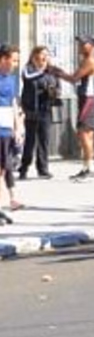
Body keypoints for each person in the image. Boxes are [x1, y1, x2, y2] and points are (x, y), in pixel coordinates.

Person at [52, 35, 94, 181]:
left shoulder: (90, 61)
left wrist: (57, 73)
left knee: (84, 133)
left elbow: (74, 78)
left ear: (92, 46)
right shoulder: (88, 60)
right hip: (87, 99)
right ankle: (86, 167)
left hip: (88, 99)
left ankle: (90, 169)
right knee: (86, 134)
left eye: (83, 44)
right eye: (79, 43)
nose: (79, 46)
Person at [18, 46, 59, 181]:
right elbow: (28, 78)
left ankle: (43, 169)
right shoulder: (28, 69)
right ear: (35, 56)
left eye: (47, 55)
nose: (45, 57)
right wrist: (43, 71)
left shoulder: (51, 72)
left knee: (44, 140)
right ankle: (24, 168)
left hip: (45, 109)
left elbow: (57, 86)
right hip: (31, 109)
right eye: (42, 54)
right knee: (30, 141)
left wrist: (53, 91)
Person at [0, 45, 23, 226]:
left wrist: (18, 126)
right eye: (13, 60)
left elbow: (13, 103)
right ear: (3, 59)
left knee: (3, 168)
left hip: (6, 126)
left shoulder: (11, 79)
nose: (15, 64)